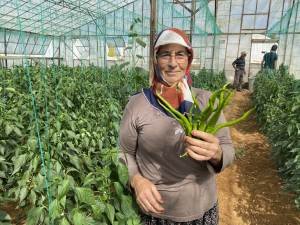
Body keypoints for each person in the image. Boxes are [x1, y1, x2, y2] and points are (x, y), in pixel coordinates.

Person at [119, 28, 234, 225]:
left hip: (203, 210)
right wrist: (136, 180)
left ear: (188, 60)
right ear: (156, 60)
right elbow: (124, 152)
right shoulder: (137, 104)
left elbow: (228, 149)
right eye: (165, 54)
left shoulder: (207, 101)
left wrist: (217, 154)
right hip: (156, 214)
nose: (173, 63)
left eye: (180, 54)